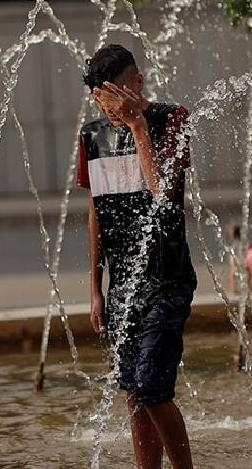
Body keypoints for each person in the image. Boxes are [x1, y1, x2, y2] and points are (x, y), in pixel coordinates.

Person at [77, 44, 196, 469]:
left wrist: (138, 126)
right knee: (133, 390)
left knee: (152, 387)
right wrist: (95, 290)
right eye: (101, 99)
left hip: (166, 279)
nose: (111, 109)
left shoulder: (171, 120)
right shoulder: (92, 138)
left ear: (138, 83)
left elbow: (163, 195)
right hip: (123, 285)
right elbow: (95, 212)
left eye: (118, 96)